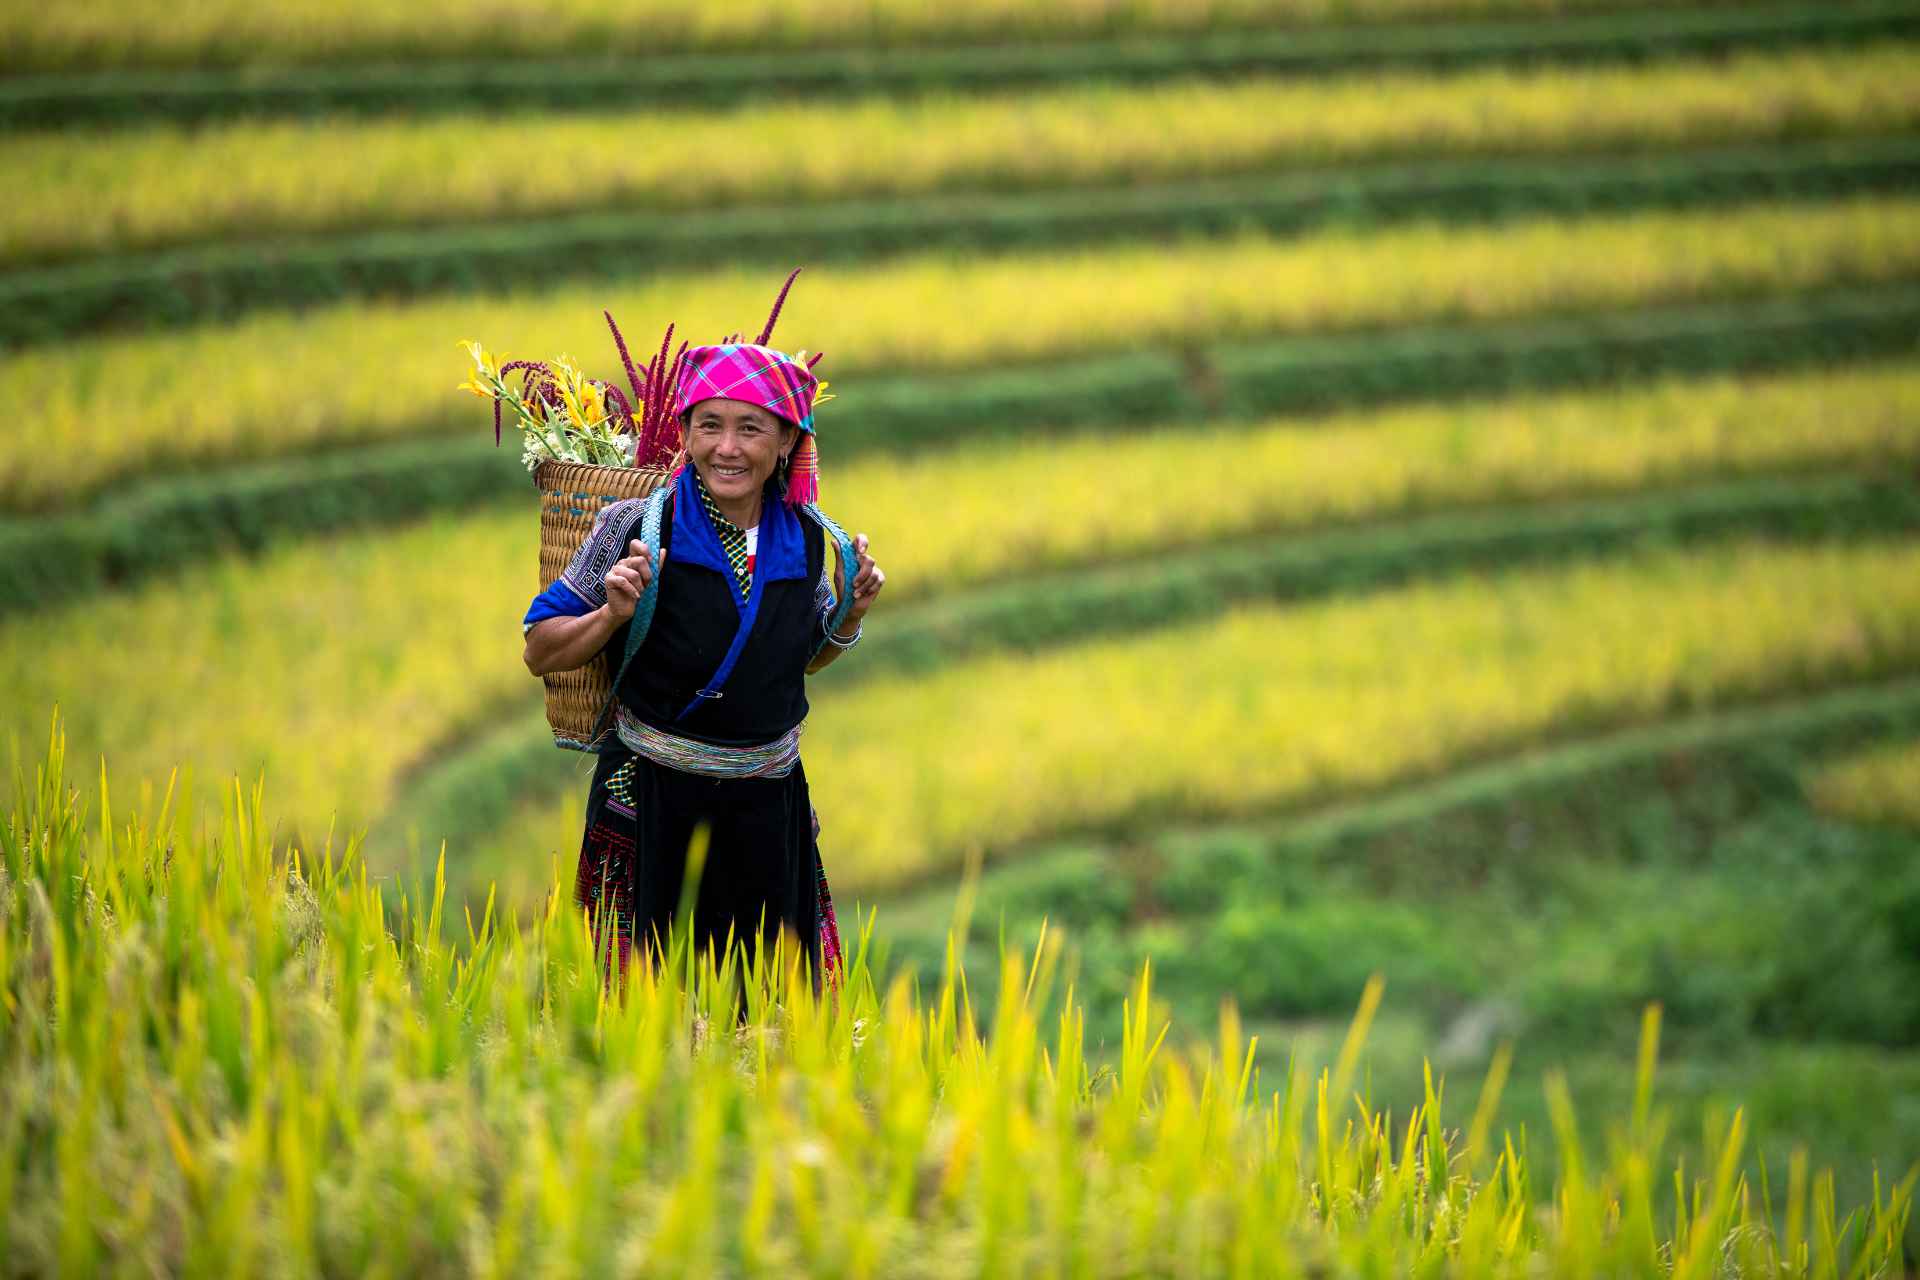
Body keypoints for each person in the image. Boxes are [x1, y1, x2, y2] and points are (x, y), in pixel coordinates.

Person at [520, 340, 884, 987]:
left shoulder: (803, 537)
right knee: (643, 1017)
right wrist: (610, 614)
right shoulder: (636, 527)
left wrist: (848, 614)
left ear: (785, 445)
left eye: (751, 428)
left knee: (768, 1018)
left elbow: (799, 660)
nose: (728, 447)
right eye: (709, 425)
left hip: (769, 812)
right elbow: (538, 647)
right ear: (684, 434)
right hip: (652, 803)